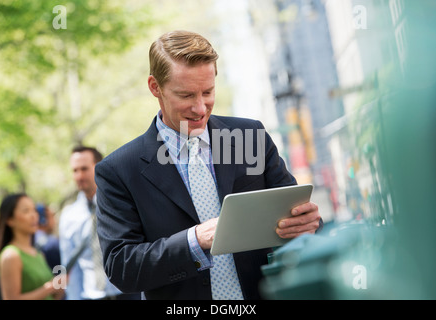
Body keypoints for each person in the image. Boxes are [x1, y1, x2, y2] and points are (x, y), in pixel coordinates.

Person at [94, 30, 323, 300]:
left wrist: (306, 223)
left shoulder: (250, 137)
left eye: (208, 92)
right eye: (186, 95)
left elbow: (296, 217)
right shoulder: (119, 170)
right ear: (155, 87)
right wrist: (194, 241)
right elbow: (122, 268)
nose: (201, 108)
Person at [59, 146, 140, 300]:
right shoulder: (68, 216)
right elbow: (70, 266)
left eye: (84, 169)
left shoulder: (122, 203)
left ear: (99, 167)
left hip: (130, 294)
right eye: (75, 170)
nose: (79, 176)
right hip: (92, 296)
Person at [0, 193, 66, 300]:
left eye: (34, 210)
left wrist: (59, 288)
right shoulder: (10, 255)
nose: (34, 215)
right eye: (26, 211)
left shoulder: (38, 254)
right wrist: (50, 288)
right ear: (10, 220)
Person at [34, 203, 61, 270]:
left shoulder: (30, 239)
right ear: (43, 220)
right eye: (52, 216)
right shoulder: (52, 243)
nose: (55, 220)